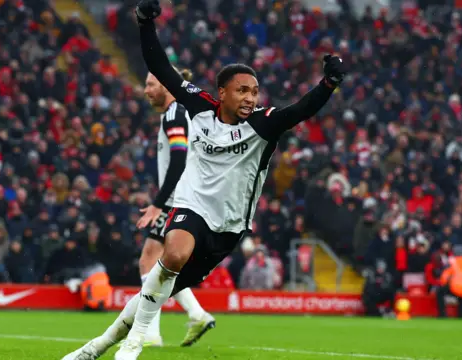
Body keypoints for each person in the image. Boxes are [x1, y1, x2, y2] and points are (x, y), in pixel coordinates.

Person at [61, 0, 345, 358]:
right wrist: (145, 22)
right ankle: (132, 346)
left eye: (254, 92)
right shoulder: (199, 108)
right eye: (242, 90)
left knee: (158, 286)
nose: (250, 98)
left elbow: (300, 110)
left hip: (227, 225)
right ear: (222, 93)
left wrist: (328, 85)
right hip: (191, 204)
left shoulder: (263, 125)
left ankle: (96, 347)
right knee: (173, 253)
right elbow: (161, 68)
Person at [133, 67, 215, 347]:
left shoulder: (174, 114)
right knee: (162, 264)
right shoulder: (182, 112)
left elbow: (179, 159)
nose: (146, 90)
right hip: (186, 197)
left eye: (151, 84)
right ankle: (196, 314)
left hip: (175, 199)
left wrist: (158, 204)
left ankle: (150, 333)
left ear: (167, 86)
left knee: (149, 260)